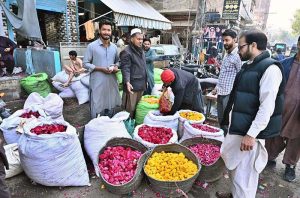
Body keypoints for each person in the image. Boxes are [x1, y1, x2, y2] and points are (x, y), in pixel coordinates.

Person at [216, 30, 285, 198]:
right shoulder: (250, 65)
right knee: (235, 168)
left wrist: (251, 134)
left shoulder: (270, 69)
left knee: (245, 176)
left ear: (253, 45)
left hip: (249, 132)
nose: (238, 50)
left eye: (241, 47)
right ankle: (234, 194)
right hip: (240, 126)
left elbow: (267, 106)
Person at [265, 35, 300, 182]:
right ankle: (269, 157)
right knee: (275, 134)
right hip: (281, 107)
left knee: (296, 140)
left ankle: (290, 166)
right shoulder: (284, 63)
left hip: (298, 113)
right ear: (298, 44)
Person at [83, 20, 121, 118]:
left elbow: (118, 61)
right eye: (104, 29)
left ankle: (108, 124)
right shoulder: (92, 46)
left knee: (110, 102)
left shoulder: (114, 47)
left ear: (111, 32)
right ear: (99, 30)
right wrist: (100, 68)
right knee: (97, 103)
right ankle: (95, 125)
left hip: (111, 81)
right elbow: (85, 63)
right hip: (97, 81)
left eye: (108, 30)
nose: (106, 32)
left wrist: (116, 67)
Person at [212, 29, 242, 134]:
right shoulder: (227, 54)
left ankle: (226, 140)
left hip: (229, 93)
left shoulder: (238, 56)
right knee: (220, 118)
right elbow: (223, 73)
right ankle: (222, 138)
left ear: (235, 39)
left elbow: (241, 75)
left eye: (227, 40)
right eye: (223, 40)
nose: (224, 43)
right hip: (221, 91)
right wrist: (217, 87)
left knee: (227, 120)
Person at [120, 28, 147, 118]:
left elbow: (142, 66)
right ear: (132, 39)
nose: (140, 41)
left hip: (141, 84)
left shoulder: (141, 50)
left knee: (138, 107)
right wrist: (127, 82)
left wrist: (146, 80)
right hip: (132, 85)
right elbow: (125, 68)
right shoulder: (126, 52)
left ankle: (135, 124)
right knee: (130, 108)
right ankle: (128, 125)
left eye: (142, 39)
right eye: (138, 39)